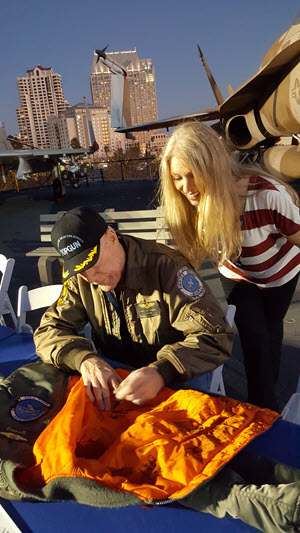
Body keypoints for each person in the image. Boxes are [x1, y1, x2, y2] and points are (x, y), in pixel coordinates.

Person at [159, 121, 300, 412]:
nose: (186, 187)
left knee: (271, 330)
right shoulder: (188, 204)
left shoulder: (267, 196)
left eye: (193, 174)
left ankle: (266, 394)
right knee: (253, 335)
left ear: (214, 165)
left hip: (279, 273)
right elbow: (185, 258)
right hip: (237, 275)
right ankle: (263, 410)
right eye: (177, 178)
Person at [34, 205, 233, 410]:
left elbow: (214, 336)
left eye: (92, 262)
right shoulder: (81, 278)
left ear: (111, 237)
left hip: (179, 376)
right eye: (81, 268)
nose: (91, 278)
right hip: (120, 380)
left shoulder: (166, 267)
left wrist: (163, 371)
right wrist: (83, 359)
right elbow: (48, 330)